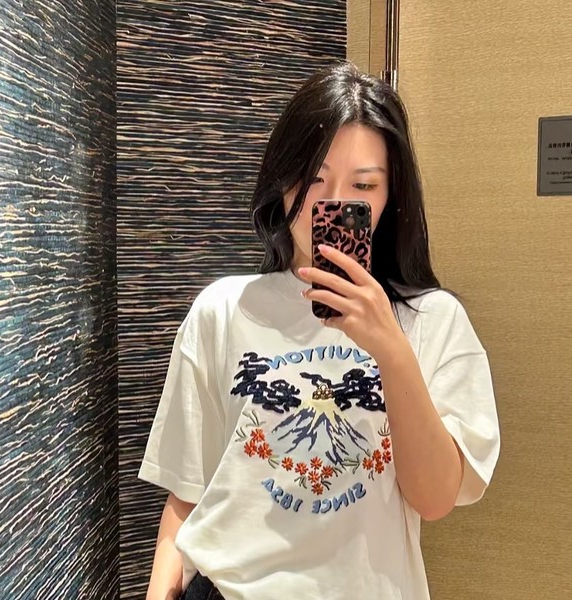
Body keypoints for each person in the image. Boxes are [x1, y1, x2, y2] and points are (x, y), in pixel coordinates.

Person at [139, 61, 500, 600]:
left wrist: (391, 349)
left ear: (391, 195)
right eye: (314, 179)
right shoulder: (223, 309)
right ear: (284, 182)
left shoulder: (434, 320)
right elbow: (188, 495)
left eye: (363, 185)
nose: (331, 203)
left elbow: (434, 498)